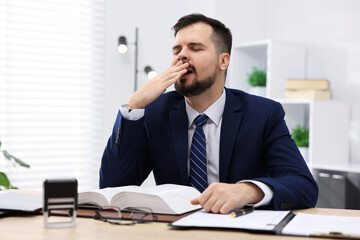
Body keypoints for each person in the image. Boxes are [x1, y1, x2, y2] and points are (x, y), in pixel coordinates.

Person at [100, 13, 318, 213]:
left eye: (195, 48)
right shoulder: (155, 111)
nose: (182, 56)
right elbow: (113, 187)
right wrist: (133, 107)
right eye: (177, 50)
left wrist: (247, 191)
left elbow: (304, 186)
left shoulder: (263, 113)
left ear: (223, 61)